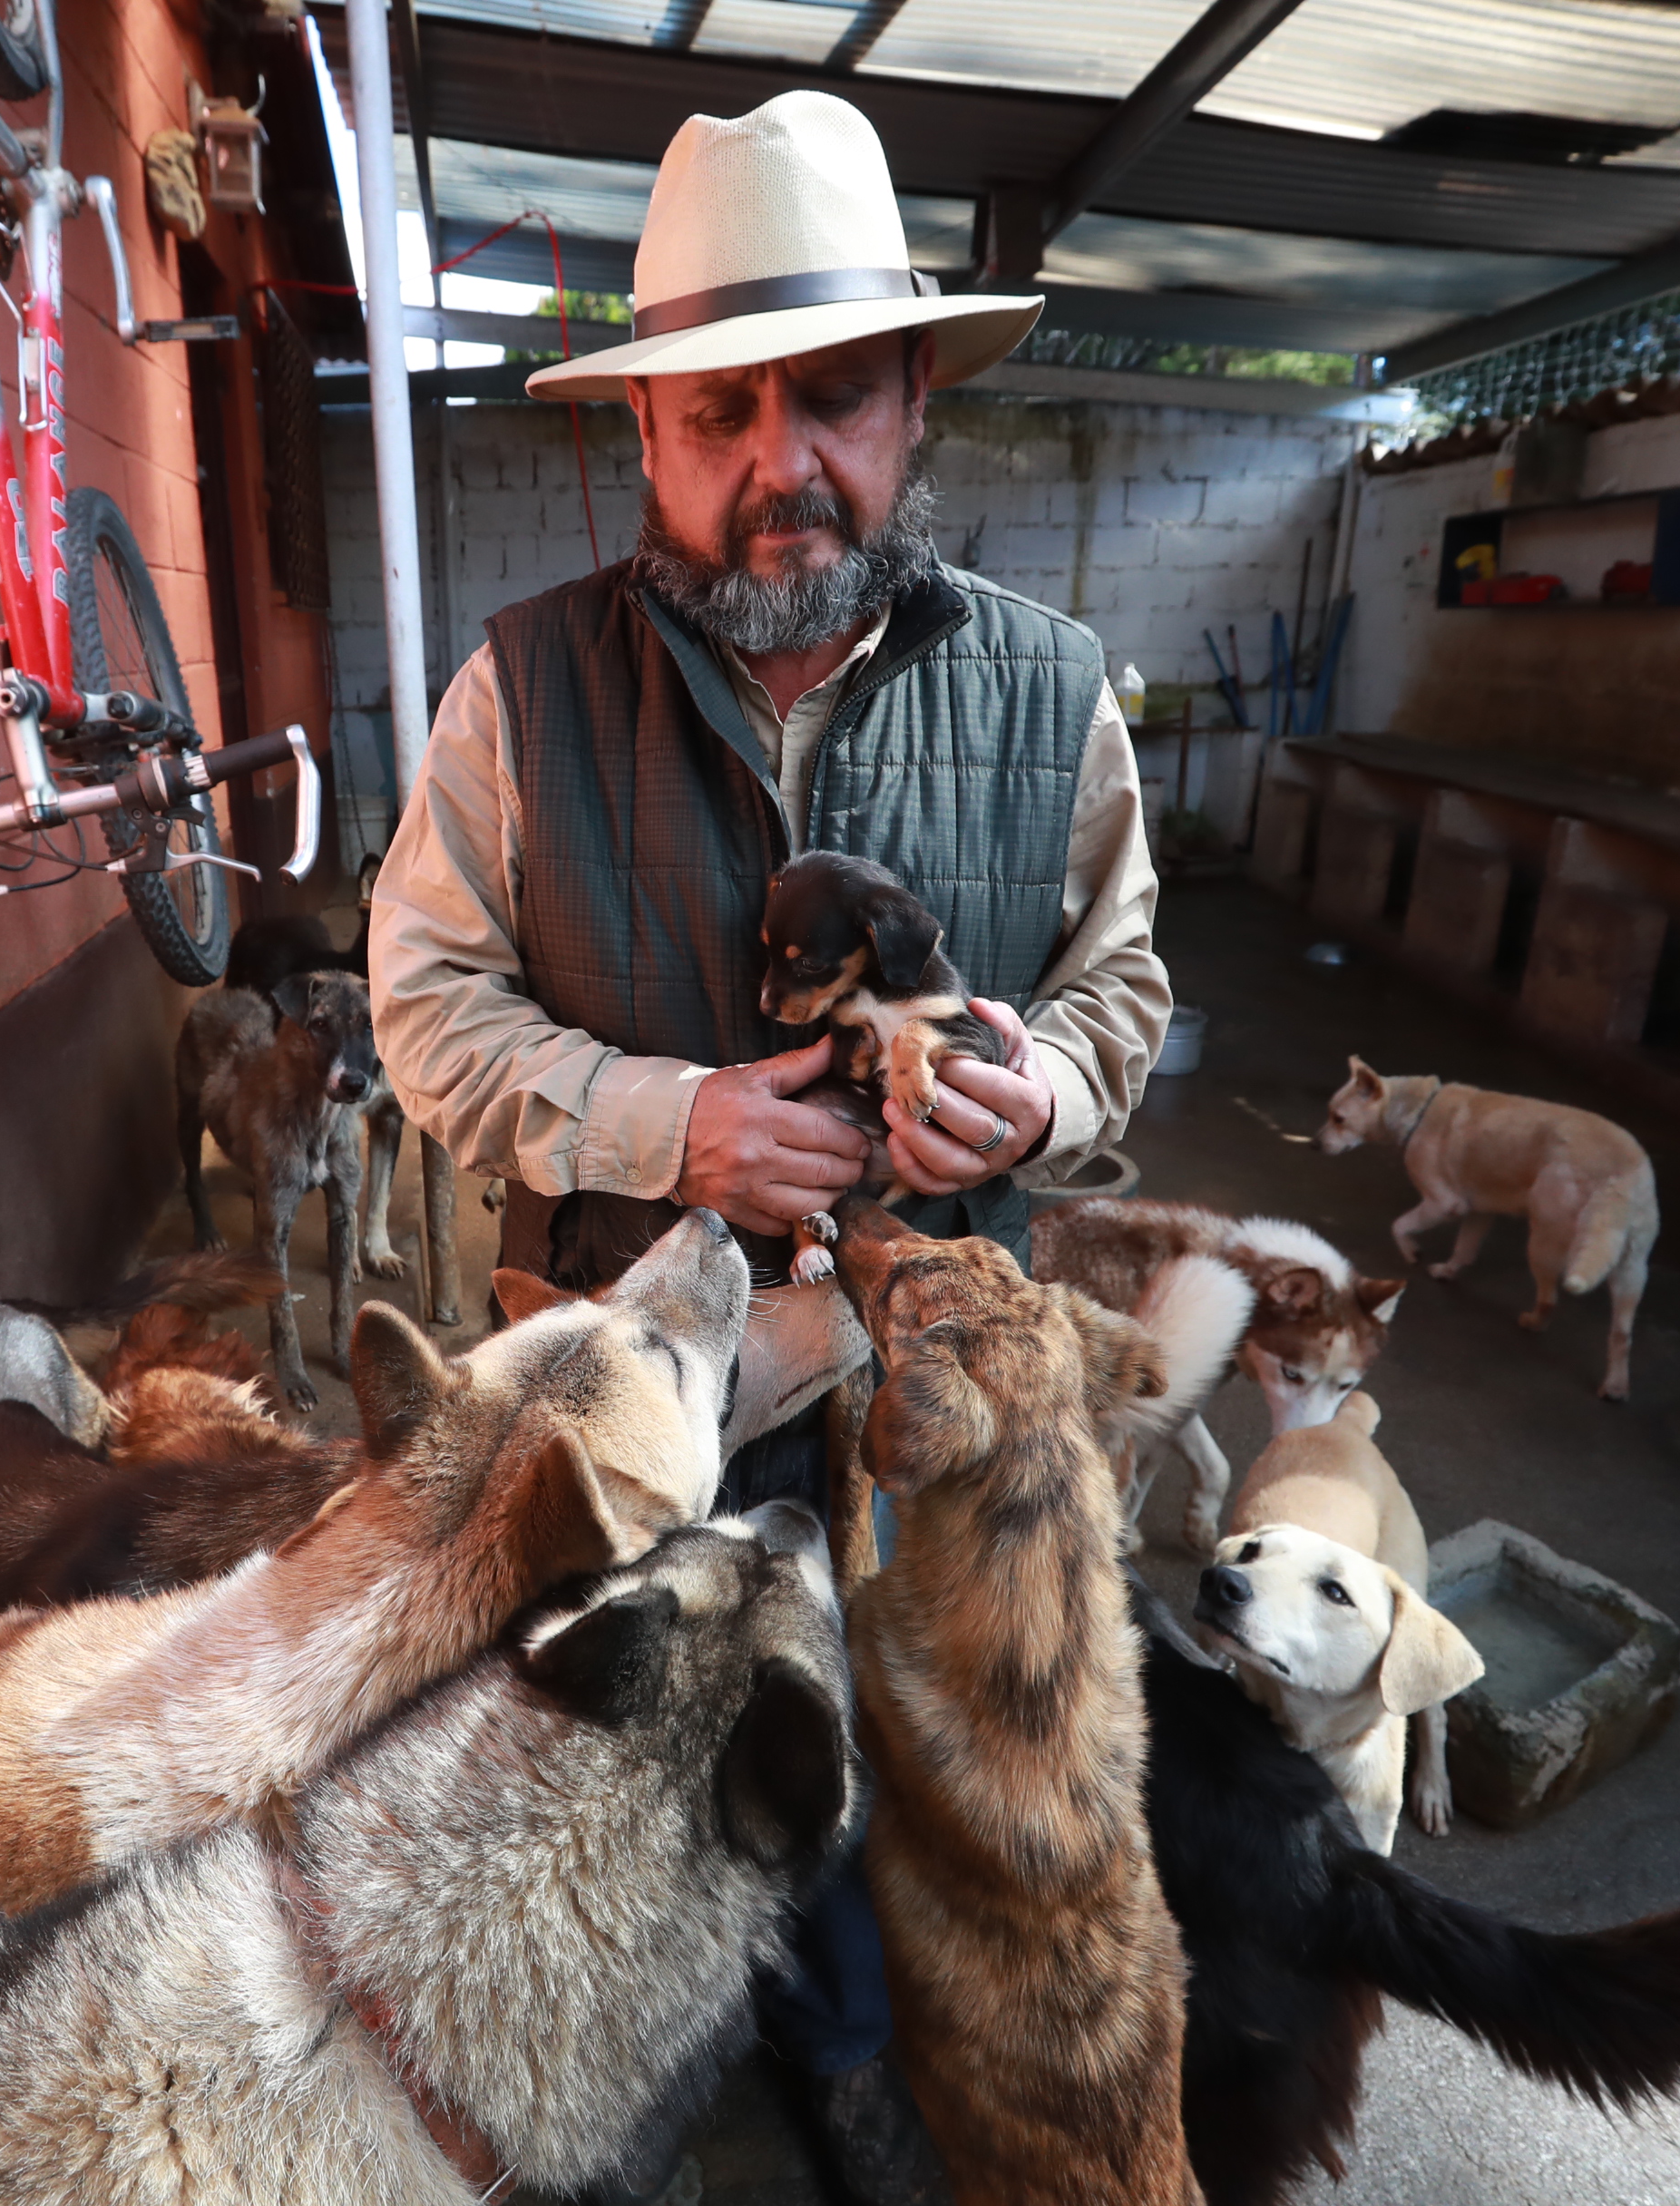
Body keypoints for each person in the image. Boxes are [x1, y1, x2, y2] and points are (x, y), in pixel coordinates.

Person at [366, 88, 1170, 2204]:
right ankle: (615, 2069)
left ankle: (843, 2047)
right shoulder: (519, 694)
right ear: (644, 438)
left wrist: (1051, 1094)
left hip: (924, 1382)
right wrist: (671, 1122)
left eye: (829, 402)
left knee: (899, 1753)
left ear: (913, 405)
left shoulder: (1055, 692)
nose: (773, 467)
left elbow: (1125, 993)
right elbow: (422, 1004)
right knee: (620, 1729)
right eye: (716, 416)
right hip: (626, 1372)